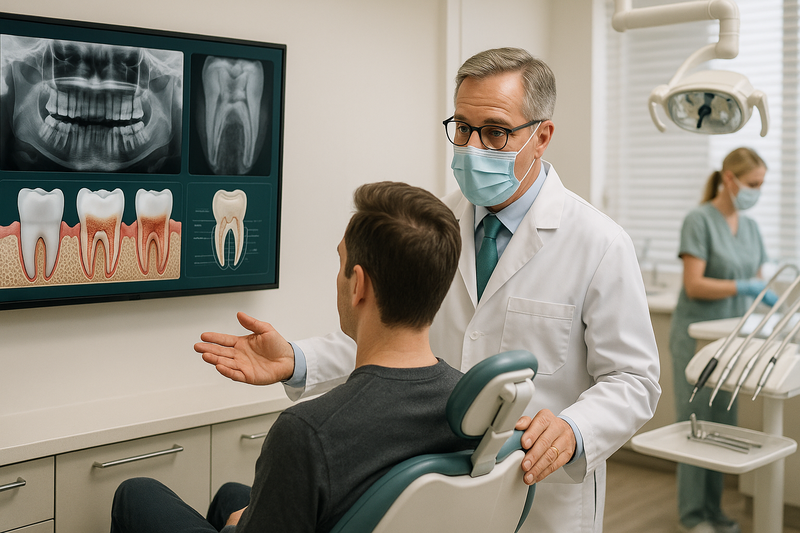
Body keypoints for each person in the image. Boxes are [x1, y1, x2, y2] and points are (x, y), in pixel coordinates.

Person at [196, 47, 661, 533]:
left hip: (540, 497)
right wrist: (298, 359)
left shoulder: (599, 244)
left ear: (541, 136)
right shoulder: (439, 220)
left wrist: (574, 429)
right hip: (441, 489)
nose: (472, 147)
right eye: (462, 127)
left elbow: (635, 380)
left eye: (495, 132)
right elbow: (398, 330)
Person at [112, 181, 474, 532]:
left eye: (341, 262)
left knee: (137, 494)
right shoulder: (470, 405)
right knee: (230, 497)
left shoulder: (306, 433)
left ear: (358, 285)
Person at [669, 147, 771, 533]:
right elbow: (694, 285)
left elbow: (758, 281)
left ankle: (715, 510)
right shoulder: (699, 220)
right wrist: (742, 285)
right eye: (752, 184)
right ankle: (694, 515)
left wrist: (761, 295)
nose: (756, 192)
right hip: (696, 339)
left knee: (724, 428)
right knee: (696, 426)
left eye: (762, 185)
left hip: (733, 341)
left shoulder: (752, 228)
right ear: (729, 179)